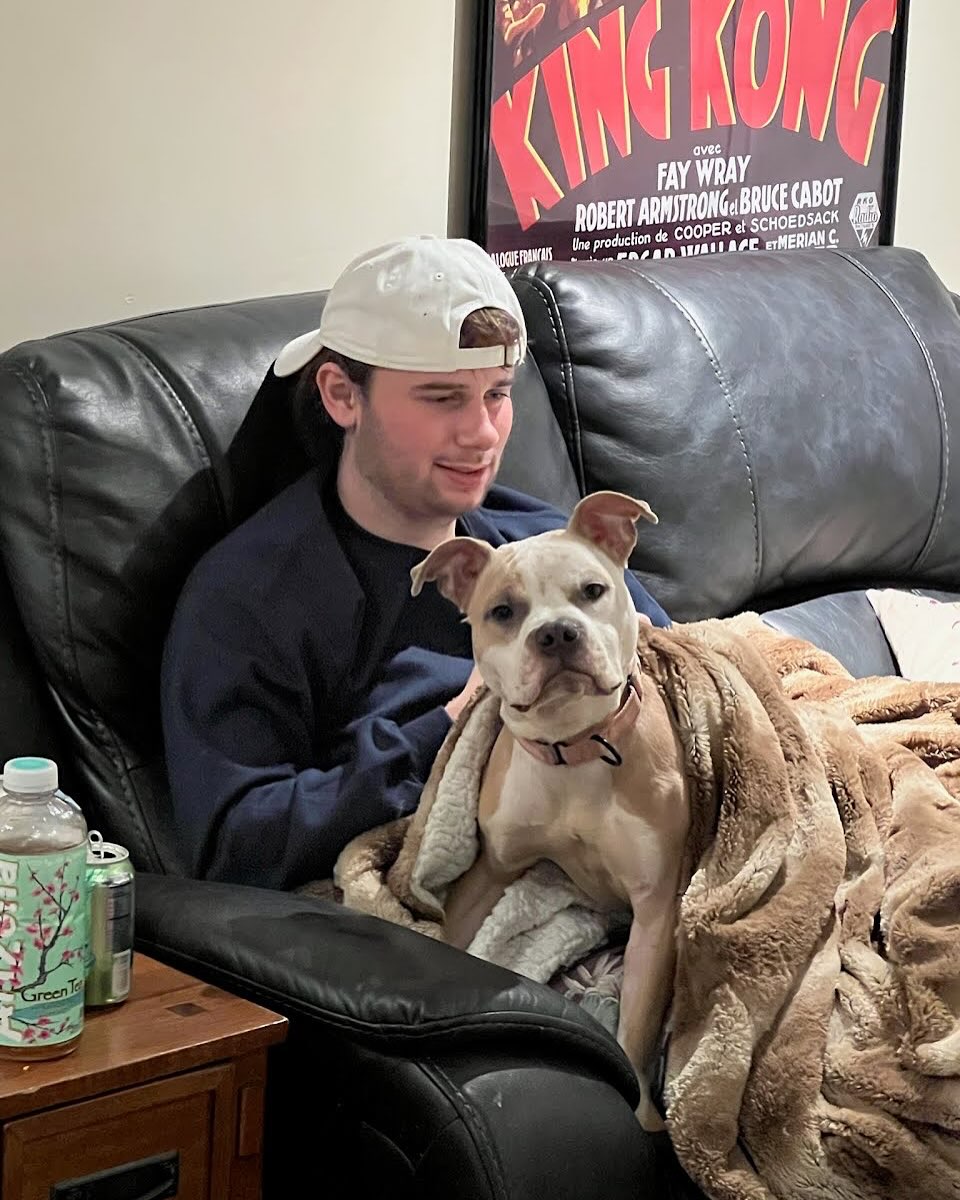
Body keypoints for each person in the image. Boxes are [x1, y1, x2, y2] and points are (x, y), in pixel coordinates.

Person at [160, 236, 669, 890]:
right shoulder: (251, 598)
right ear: (343, 395)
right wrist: (454, 728)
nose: (482, 434)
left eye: (496, 394)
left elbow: (686, 669)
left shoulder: (543, 538)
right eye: (442, 398)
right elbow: (237, 841)